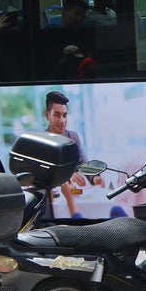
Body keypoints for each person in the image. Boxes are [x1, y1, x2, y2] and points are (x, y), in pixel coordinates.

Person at [41, 91, 99, 219]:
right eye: (57, 115)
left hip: (74, 193)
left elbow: (83, 162)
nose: (62, 121)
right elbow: (43, 174)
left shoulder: (73, 137)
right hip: (53, 200)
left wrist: (94, 178)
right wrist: (69, 175)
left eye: (65, 115)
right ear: (47, 115)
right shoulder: (41, 142)